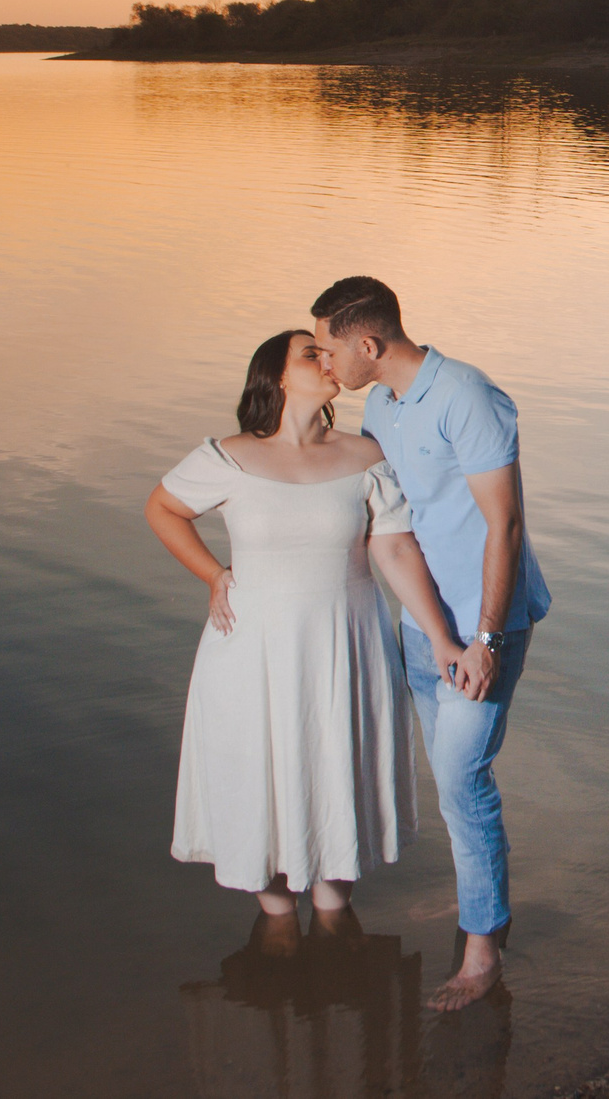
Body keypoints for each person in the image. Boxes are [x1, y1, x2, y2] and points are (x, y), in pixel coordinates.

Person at [145, 329, 466, 943]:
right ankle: (276, 936)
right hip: (250, 651)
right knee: (257, 773)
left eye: (326, 351)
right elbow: (163, 509)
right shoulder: (227, 456)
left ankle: (332, 921)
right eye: (309, 354)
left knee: (333, 771)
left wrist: (442, 639)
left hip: (345, 644)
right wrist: (214, 573)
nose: (327, 360)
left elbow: (395, 549)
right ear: (278, 377)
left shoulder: (364, 456)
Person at [309, 276, 549, 1012]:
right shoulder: (380, 403)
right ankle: (479, 898)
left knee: (460, 776)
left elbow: (502, 524)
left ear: (368, 344)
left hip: (486, 627)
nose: (325, 362)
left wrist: (483, 639)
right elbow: (387, 514)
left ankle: (483, 951)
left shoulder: (468, 397)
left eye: (328, 348)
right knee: (452, 786)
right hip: (424, 626)